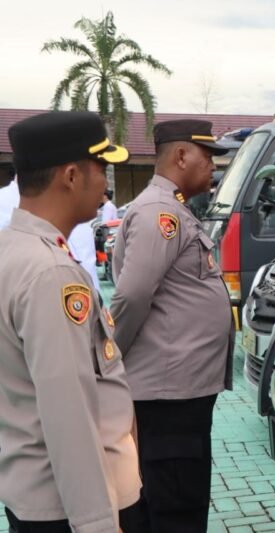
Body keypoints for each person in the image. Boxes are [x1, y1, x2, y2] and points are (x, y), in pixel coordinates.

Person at [0, 111, 144, 532]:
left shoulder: (13, 249)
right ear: (69, 175)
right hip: (73, 510)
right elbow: (71, 416)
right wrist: (98, 524)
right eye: (101, 167)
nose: (106, 182)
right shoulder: (52, 274)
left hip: (35, 495)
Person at [110, 119, 233, 532]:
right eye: (208, 156)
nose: (214, 165)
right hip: (168, 398)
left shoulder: (174, 210)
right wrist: (113, 359)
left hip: (183, 392)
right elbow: (132, 295)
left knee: (183, 497)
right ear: (181, 156)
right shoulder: (159, 213)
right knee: (174, 507)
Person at [0, 177, 101, 290]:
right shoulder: (4, 203)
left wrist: (97, 299)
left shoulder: (76, 206)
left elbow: (88, 264)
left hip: (80, 298)